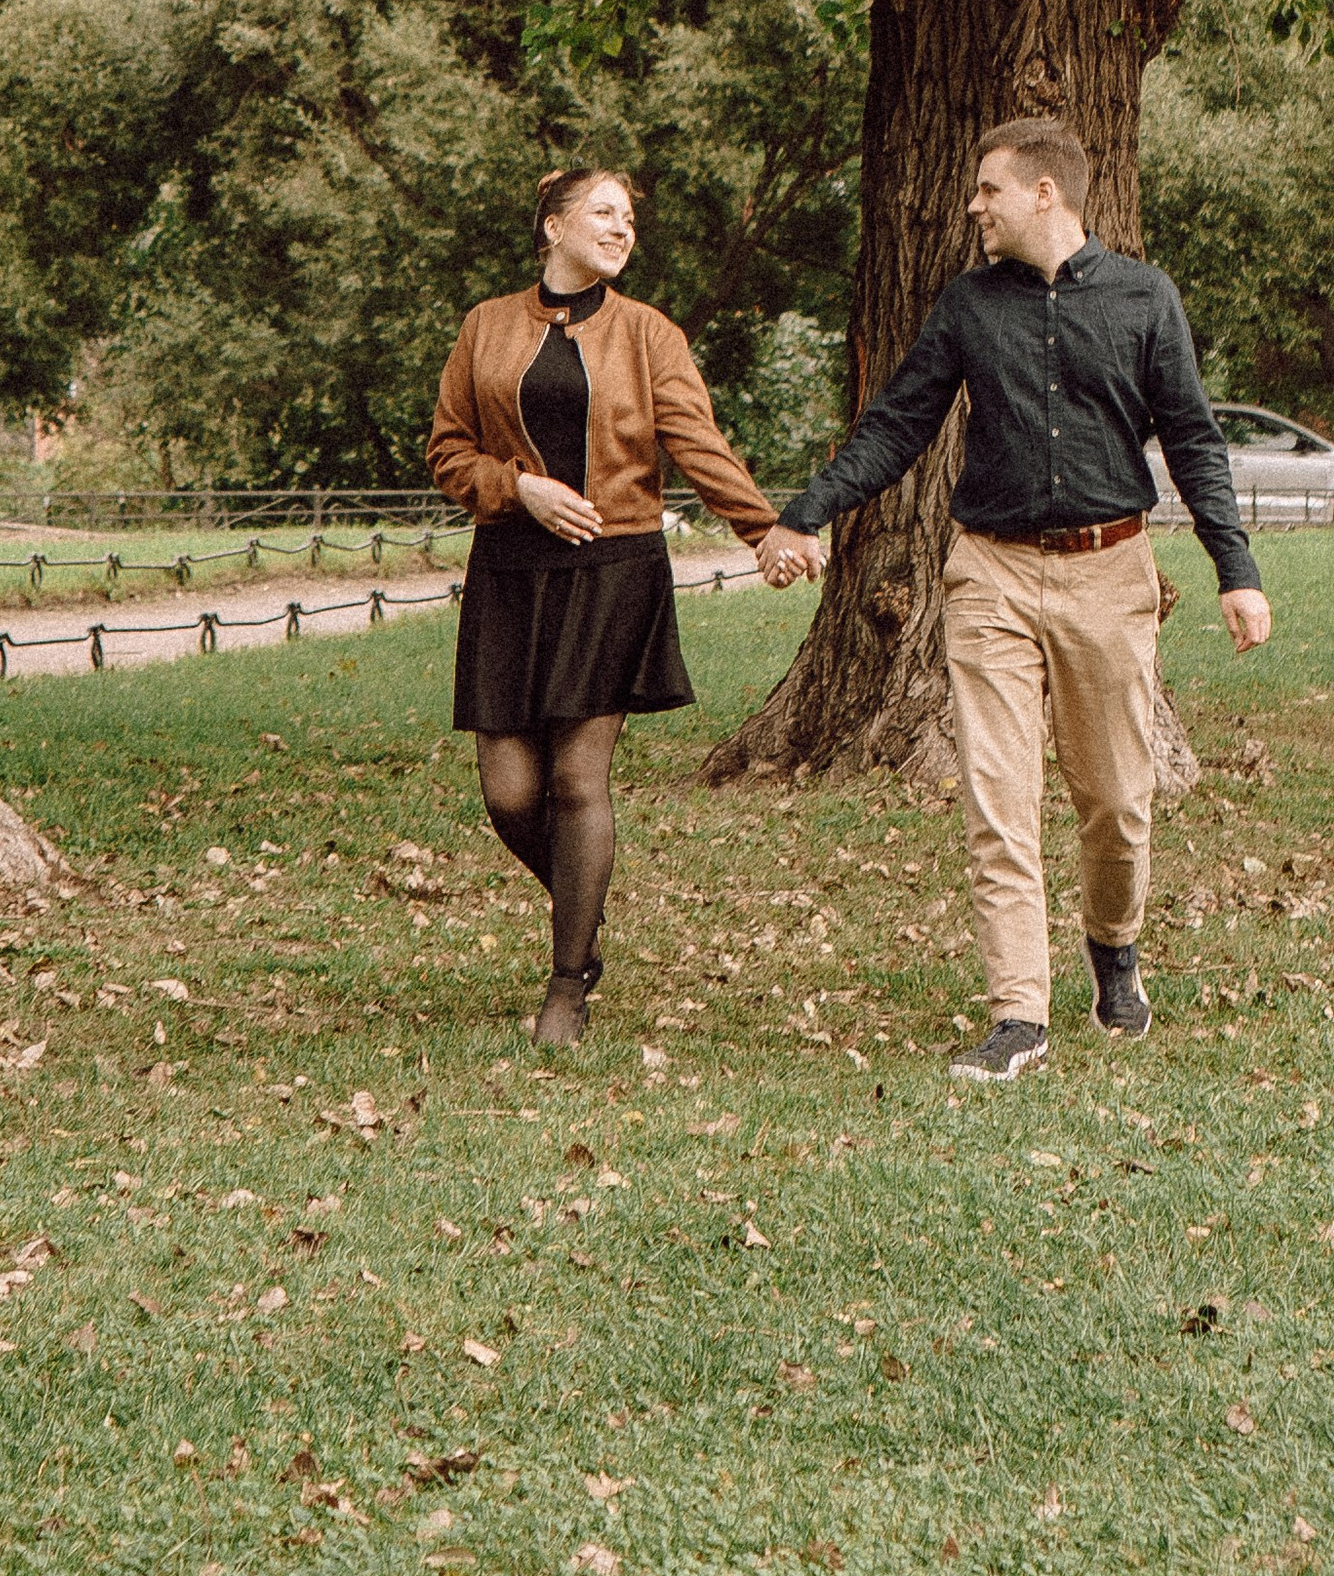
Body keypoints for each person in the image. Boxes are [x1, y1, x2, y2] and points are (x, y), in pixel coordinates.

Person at [756, 115, 1271, 1078]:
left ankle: (1113, 948)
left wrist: (1235, 573)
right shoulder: (967, 305)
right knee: (1000, 800)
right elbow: (897, 424)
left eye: (988, 189)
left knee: (1116, 802)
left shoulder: (1144, 298)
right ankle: (1019, 1016)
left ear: (1046, 192)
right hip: (988, 573)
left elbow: (1195, 441)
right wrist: (805, 515)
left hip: (1109, 572)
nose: (973, 206)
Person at [428, 167, 779, 1046]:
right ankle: (582, 908)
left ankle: (566, 985)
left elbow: (697, 443)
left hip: (613, 568)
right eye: (603, 213)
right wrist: (518, 489)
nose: (622, 229)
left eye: (628, 218)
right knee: (510, 792)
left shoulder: (649, 333)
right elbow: (447, 451)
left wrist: (764, 529)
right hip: (510, 571)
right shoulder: (485, 326)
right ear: (553, 227)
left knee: (579, 781)